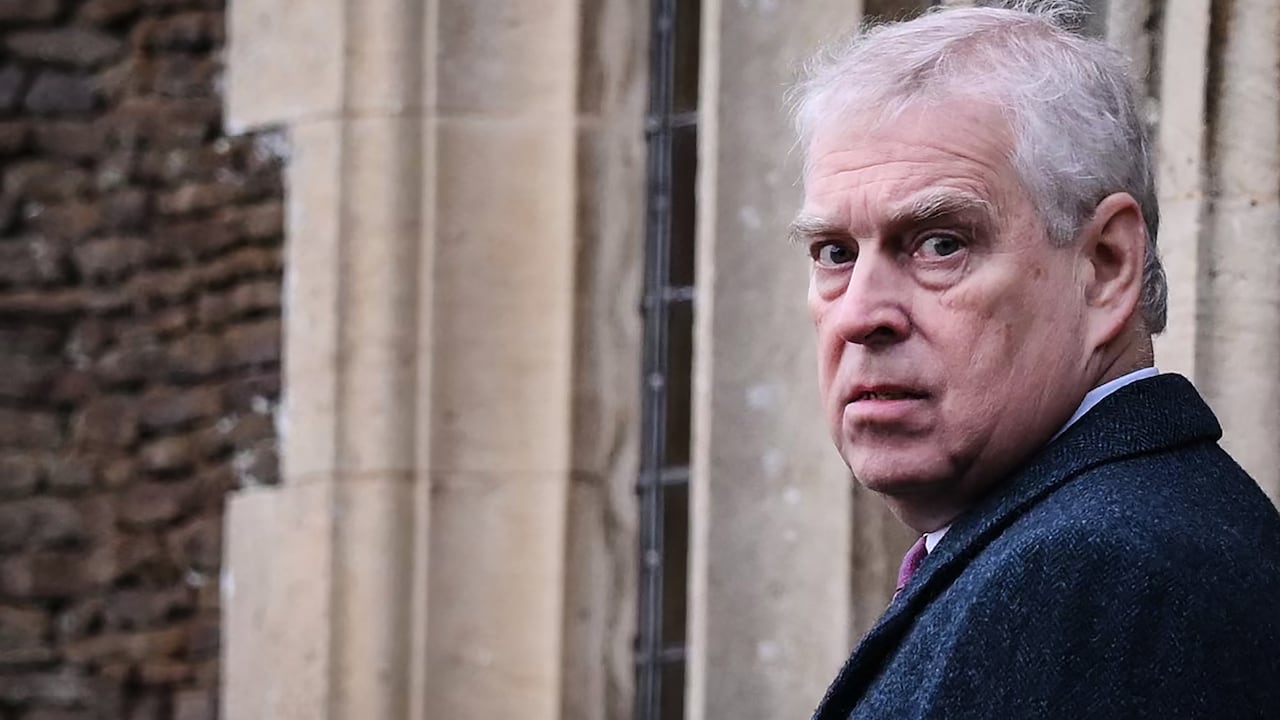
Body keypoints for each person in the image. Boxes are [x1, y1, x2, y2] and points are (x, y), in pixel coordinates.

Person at [787, 4, 1280, 718]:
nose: (861, 315)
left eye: (939, 243)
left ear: (1107, 266)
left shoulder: (1095, 574)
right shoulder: (1092, 543)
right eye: (835, 253)